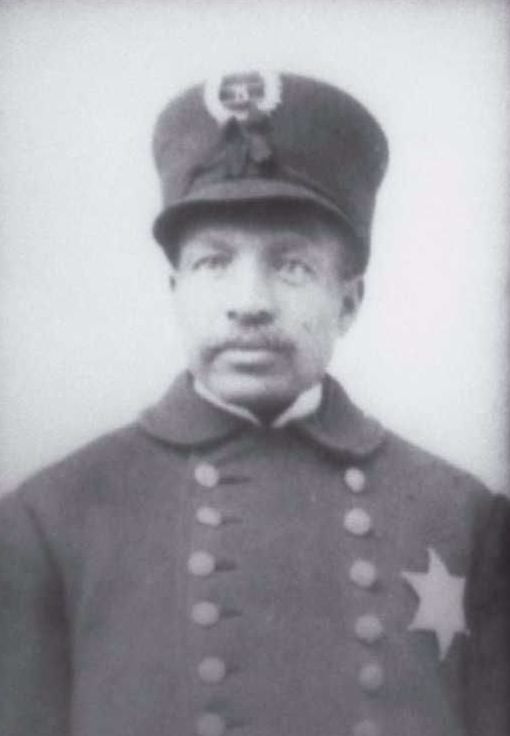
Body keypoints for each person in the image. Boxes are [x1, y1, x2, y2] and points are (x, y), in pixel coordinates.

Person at [0, 70, 508, 736]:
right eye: (214, 263)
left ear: (348, 301)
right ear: (175, 288)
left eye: (292, 266)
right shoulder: (49, 520)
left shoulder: (467, 521)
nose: (250, 302)